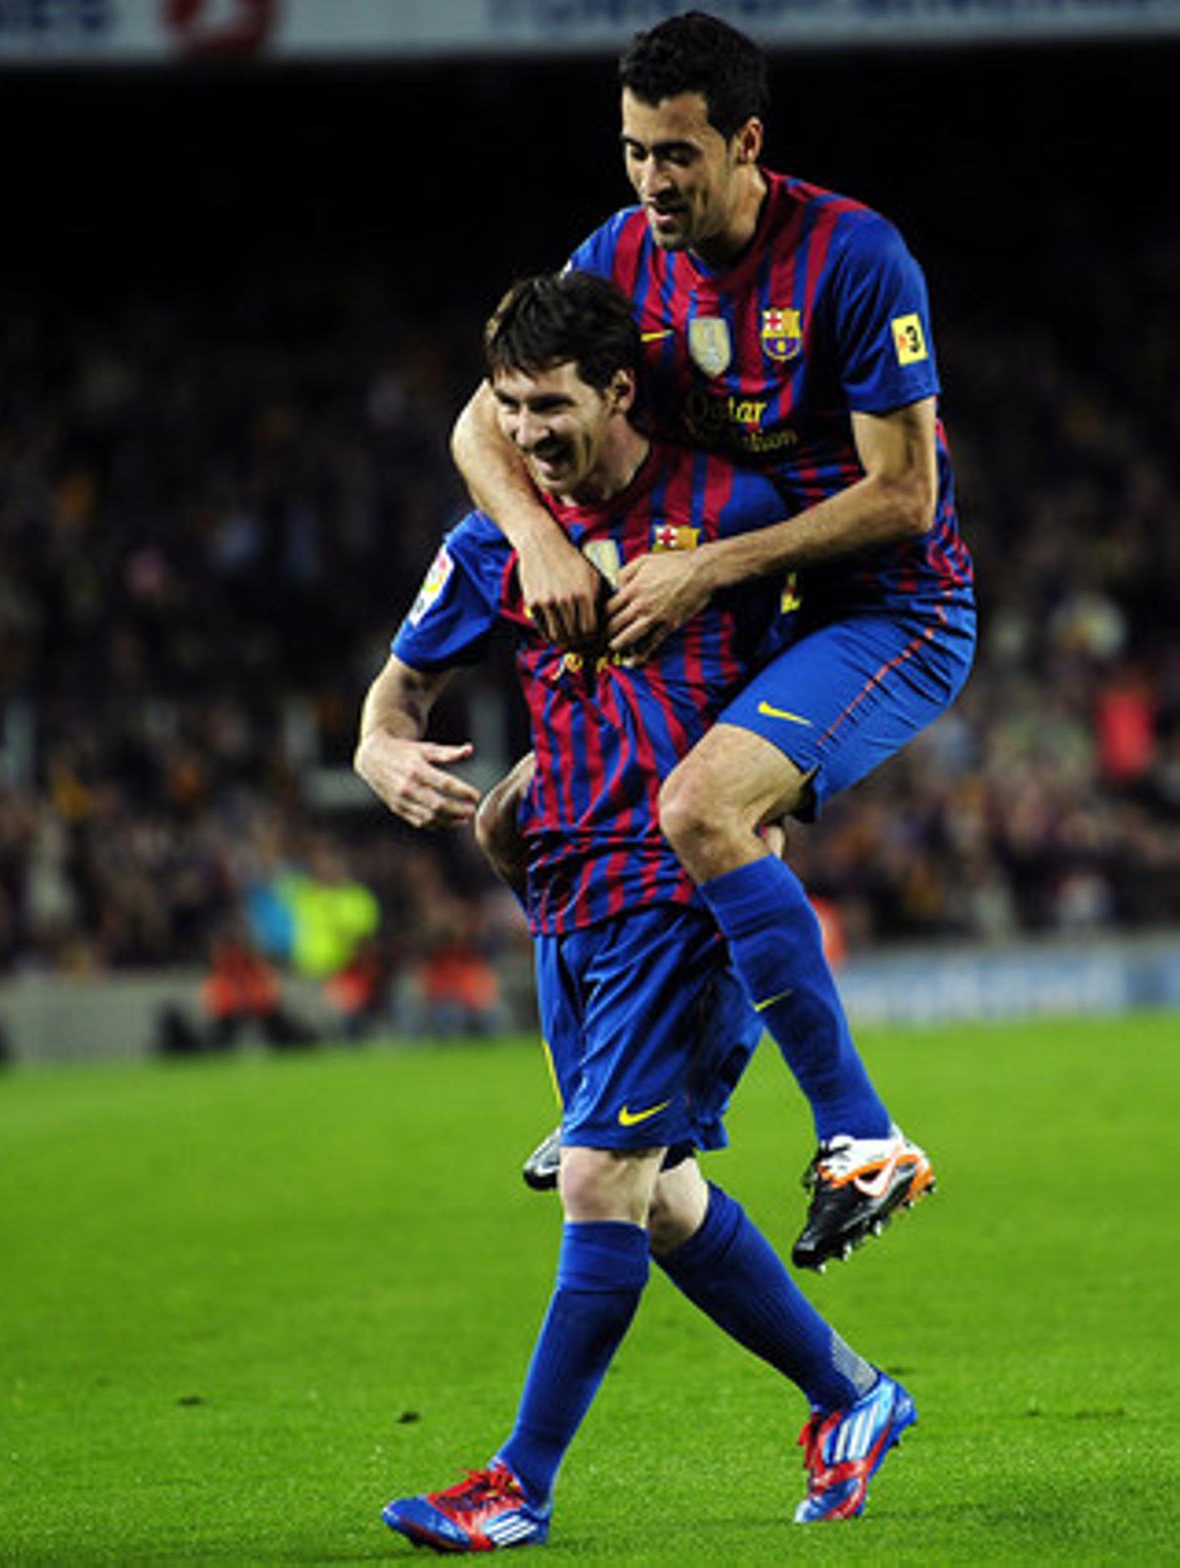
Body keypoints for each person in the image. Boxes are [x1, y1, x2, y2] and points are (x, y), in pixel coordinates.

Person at [356, 272, 917, 1551]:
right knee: (661, 1200)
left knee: (604, 1179)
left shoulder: (737, 515)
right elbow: (390, 705)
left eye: (550, 406)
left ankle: (518, 1483)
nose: (530, 434)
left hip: (684, 904)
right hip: (568, 909)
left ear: (620, 391)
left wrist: (762, 801)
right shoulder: (495, 542)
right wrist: (383, 752)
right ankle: (854, 1395)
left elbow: (822, 687)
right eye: (508, 408)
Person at [451, 10, 975, 1271]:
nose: (652, 182)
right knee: (518, 823)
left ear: (747, 143)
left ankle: (861, 1132)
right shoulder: (619, 257)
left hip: (883, 610)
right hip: (741, 608)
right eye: (634, 151)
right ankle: (619, 1099)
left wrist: (707, 570)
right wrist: (539, 540)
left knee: (699, 810)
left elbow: (906, 493)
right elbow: (481, 428)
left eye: (677, 154)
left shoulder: (854, 258)